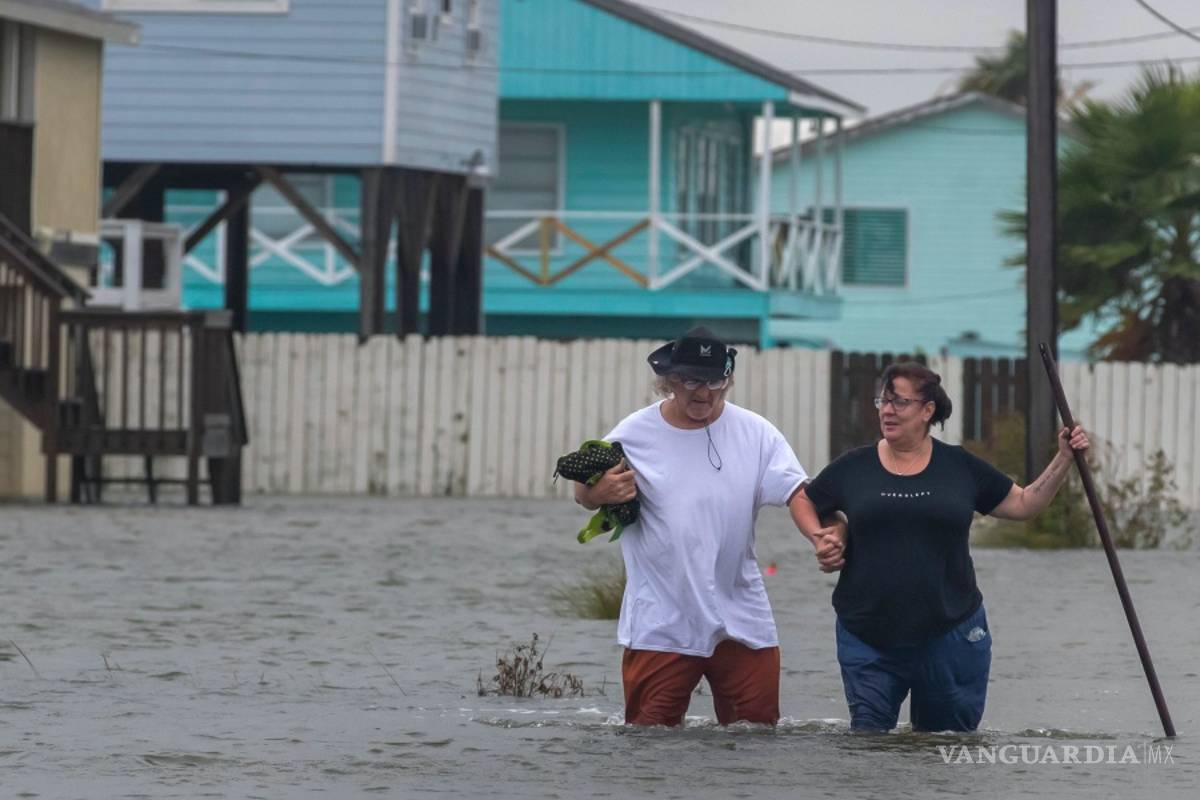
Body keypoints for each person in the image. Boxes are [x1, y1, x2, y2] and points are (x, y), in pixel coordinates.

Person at [791, 361, 1089, 733]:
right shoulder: (854, 467)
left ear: (926, 410)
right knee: (867, 745)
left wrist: (1064, 458)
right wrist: (820, 535)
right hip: (868, 633)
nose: (886, 410)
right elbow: (804, 500)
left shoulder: (959, 466)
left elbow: (1025, 504)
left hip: (951, 631)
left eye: (899, 402)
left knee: (945, 746)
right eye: (882, 401)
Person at [574, 326, 844, 727]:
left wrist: (819, 534)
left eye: (716, 381)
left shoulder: (756, 432)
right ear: (667, 382)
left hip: (741, 612)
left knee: (756, 735)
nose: (703, 392)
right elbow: (583, 489)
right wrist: (599, 494)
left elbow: (796, 491)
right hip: (662, 617)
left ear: (729, 379)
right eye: (690, 381)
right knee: (648, 740)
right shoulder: (635, 433)